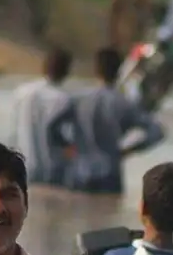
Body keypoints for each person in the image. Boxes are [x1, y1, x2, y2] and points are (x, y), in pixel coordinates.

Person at [48, 47, 165, 196]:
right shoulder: (124, 103)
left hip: (80, 171)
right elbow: (157, 132)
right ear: (119, 70)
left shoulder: (78, 99)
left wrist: (67, 146)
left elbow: (51, 127)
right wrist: (131, 150)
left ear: (96, 69)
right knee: (109, 214)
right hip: (110, 174)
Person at [9, 48, 74, 188]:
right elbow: (67, 139)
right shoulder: (63, 99)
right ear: (66, 71)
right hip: (51, 169)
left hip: (22, 165)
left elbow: (13, 130)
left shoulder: (22, 92)